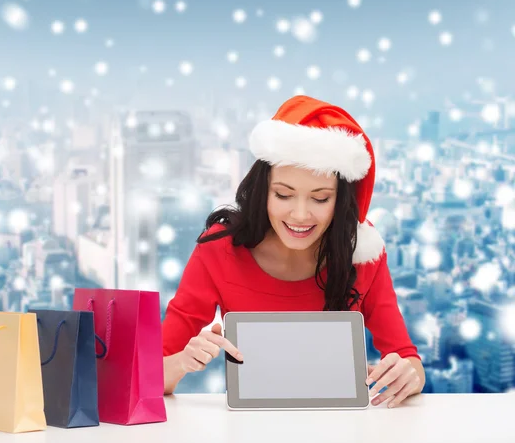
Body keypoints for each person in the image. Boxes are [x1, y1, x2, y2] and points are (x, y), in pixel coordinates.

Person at [161, 95, 425, 408]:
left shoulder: (363, 254)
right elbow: (153, 372)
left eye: (320, 198)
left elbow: (409, 359)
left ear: (340, 201)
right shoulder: (219, 249)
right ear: (263, 191)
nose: (300, 215)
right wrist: (183, 362)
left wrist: (409, 374)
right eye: (284, 195)